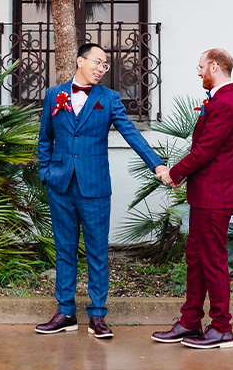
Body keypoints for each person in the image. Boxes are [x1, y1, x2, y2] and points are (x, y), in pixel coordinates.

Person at [36, 42, 171, 340]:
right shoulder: (53, 95)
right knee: (65, 251)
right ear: (80, 61)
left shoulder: (108, 98)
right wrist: (46, 173)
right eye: (97, 62)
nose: (101, 69)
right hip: (60, 185)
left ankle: (97, 315)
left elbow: (131, 133)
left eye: (105, 65)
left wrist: (158, 166)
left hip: (95, 187)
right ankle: (65, 312)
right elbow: (44, 139)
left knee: (97, 252)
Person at [151, 47, 233, 350]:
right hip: (208, 194)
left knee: (213, 261)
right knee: (196, 258)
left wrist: (174, 174)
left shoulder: (226, 103)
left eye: (201, 67)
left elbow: (204, 151)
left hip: (215, 195)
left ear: (215, 67)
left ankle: (221, 327)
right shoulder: (221, 100)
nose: (199, 72)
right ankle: (190, 321)